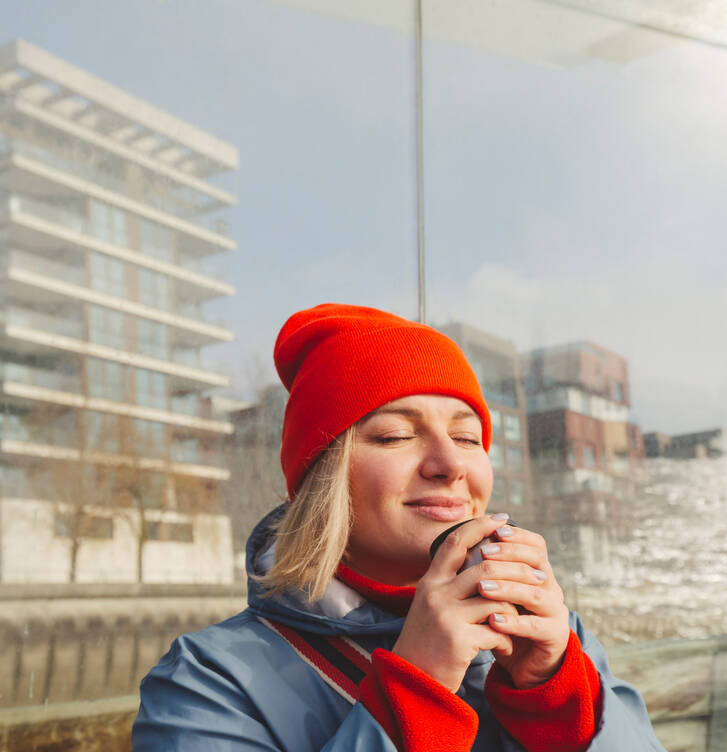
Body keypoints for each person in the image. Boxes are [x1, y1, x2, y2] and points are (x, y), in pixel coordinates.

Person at [133, 303, 666, 751]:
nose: (450, 464)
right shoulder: (208, 682)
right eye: (394, 436)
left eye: (467, 438)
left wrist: (558, 703)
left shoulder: (555, 636)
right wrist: (416, 692)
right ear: (322, 477)